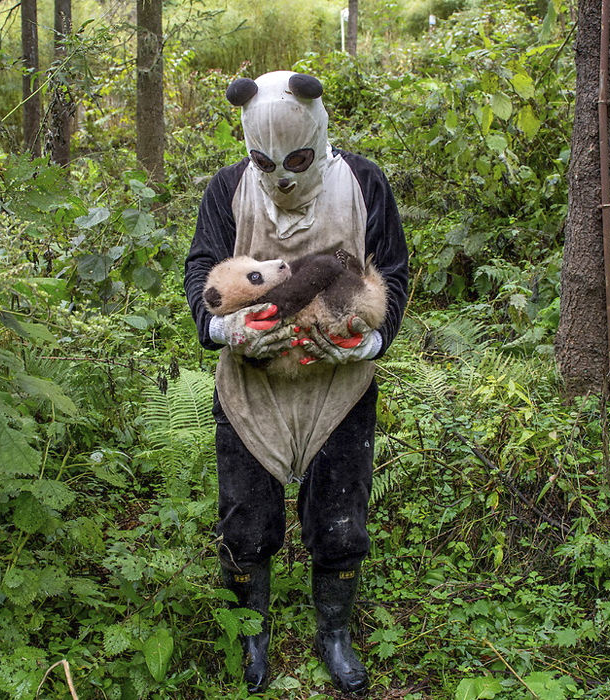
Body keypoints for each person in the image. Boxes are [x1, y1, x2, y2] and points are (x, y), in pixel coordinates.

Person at [184, 70, 409, 695]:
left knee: (341, 520)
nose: (281, 177)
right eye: (265, 161)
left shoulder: (363, 183)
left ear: (318, 133)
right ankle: (252, 631)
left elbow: (391, 268)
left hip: (338, 389)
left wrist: (372, 339)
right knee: (246, 521)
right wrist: (224, 330)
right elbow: (203, 268)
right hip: (251, 387)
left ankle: (333, 631)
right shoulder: (228, 189)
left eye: (297, 160)